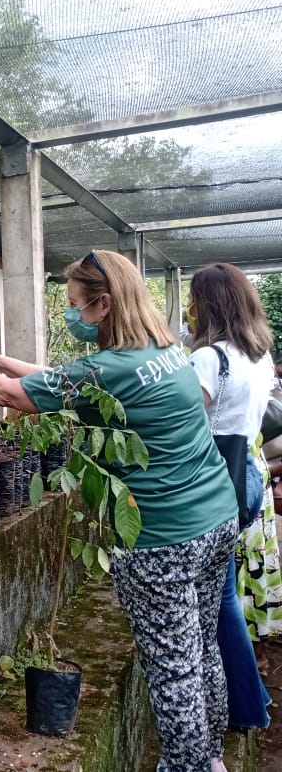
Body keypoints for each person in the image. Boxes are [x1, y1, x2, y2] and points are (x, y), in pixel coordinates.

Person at [0, 250, 238, 772]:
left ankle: (188, 766)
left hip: (163, 539)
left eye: (76, 305)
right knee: (203, 648)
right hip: (216, 517)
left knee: (173, 668)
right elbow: (63, 382)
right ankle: (209, 757)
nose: (72, 314)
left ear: (105, 304)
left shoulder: (112, 366)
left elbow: (13, 397)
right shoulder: (161, 350)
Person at [188, 262, 275, 730]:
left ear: (209, 305)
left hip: (216, 481)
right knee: (223, 592)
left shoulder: (210, 359)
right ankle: (252, 696)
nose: (189, 308)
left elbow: (178, 418)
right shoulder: (259, 355)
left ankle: (247, 705)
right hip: (249, 477)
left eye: (193, 299)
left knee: (218, 600)